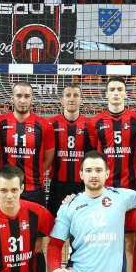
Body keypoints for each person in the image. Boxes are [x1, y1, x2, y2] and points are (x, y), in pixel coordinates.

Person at [92, 77, 136, 272]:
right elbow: (92, 159)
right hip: (103, 194)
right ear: (106, 94)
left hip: (130, 192)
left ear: (126, 94)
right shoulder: (96, 122)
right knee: (102, 244)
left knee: (129, 245)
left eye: (120, 89)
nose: (116, 93)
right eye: (112, 89)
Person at [0, 82, 55, 205]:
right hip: (6, 188)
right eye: (19, 96)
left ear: (32, 98)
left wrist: (35, 173)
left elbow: (48, 158)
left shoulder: (44, 125)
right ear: (12, 98)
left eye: (27, 96)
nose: (22, 100)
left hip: (34, 189)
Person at [46, 84, 97, 216]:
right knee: (55, 221)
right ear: (62, 100)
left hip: (83, 184)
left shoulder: (90, 125)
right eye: (68, 95)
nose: (72, 98)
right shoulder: (51, 124)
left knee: (81, 220)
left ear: (81, 100)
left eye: (76, 95)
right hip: (58, 184)